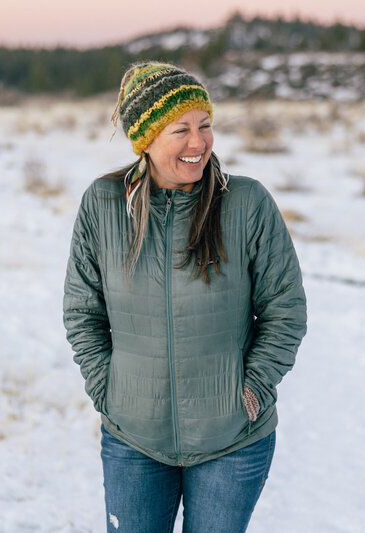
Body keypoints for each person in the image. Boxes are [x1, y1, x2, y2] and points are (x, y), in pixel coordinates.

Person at [63, 62, 307, 532]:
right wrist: (107, 388)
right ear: (146, 140)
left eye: (205, 125)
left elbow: (285, 310)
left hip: (232, 441)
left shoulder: (247, 203)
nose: (199, 143)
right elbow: (82, 311)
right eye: (181, 130)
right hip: (133, 440)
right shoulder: (104, 204)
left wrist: (252, 388)